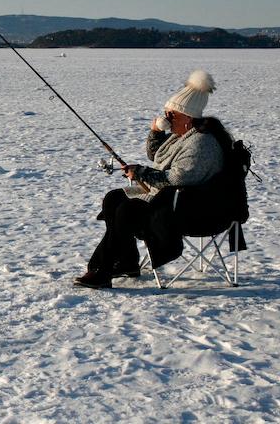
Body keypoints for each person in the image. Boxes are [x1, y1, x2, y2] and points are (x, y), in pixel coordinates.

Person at [74, 70, 227, 289]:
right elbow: (157, 156)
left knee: (127, 211)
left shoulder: (201, 144)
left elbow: (177, 179)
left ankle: (102, 270)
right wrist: (155, 132)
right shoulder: (183, 135)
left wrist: (142, 173)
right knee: (114, 199)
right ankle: (127, 262)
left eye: (171, 113)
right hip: (173, 198)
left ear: (188, 117)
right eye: (166, 112)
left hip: (191, 209)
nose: (165, 117)